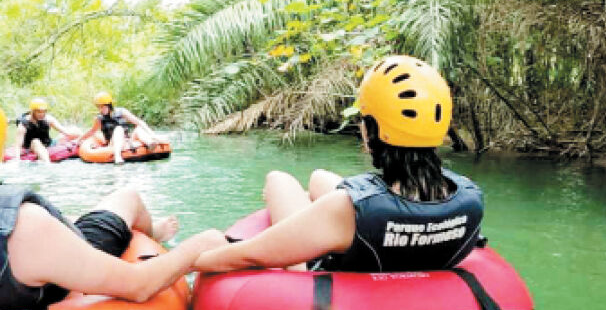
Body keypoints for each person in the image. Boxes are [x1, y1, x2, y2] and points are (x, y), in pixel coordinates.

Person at [0, 87, 228, 310]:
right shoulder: (26, 230)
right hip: (51, 262)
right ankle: (156, 231)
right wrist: (197, 246)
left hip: (4, 270)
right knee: (127, 195)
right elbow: (139, 286)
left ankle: (134, 225)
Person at [194, 55, 483, 274]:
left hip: (330, 267)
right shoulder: (470, 198)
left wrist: (199, 259)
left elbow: (249, 255)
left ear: (372, 131)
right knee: (320, 177)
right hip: (380, 237)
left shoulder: (349, 209)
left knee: (278, 180)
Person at [77, 92, 165, 164]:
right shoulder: (99, 119)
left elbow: (138, 122)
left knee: (138, 128)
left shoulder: (122, 112)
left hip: (128, 140)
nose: (101, 109)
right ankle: (118, 156)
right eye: (99, 107)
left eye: (103, 106)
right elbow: (92, 131)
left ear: (109, 105)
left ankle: (150, 143)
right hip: (113, 143)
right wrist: (80, 139)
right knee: (119, 129)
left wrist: (153, 135)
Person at [11, 97, 81, 162]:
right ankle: (47, 164)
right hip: (31, 146)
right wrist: (17, 160)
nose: (42, 114)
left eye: (44, 111)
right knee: (36, 141)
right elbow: (18, 146)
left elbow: (65, 132)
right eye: (39, 111)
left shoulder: (48, 119)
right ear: (32, 111)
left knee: (75, 129)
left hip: (48, 143)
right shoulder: (23, 125)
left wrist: (79, 137)